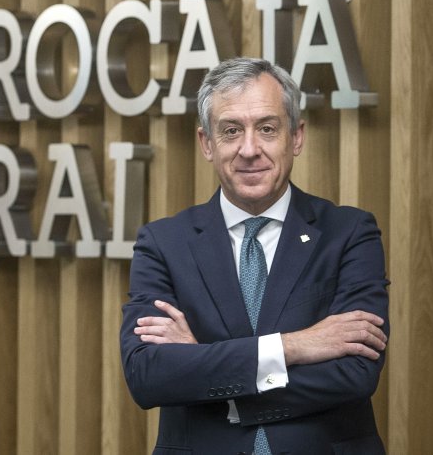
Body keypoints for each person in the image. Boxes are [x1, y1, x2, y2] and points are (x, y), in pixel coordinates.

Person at [121, 57, 390, 455]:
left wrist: (202, 368)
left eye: (267, 128)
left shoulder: (349, 233)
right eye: (231, 131)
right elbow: (148, 375)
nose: (250, 149)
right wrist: (294, 347)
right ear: (207, 143)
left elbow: (355, 372)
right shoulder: (164, 243)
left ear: (296, 137)